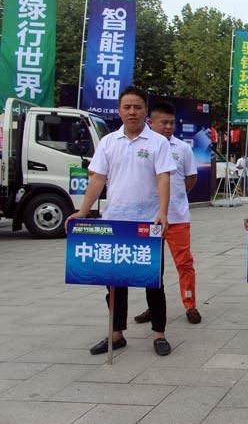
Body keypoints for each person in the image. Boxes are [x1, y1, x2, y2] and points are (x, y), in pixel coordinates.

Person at [66, 86, 175, 357]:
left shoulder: (158, 142)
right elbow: (98, 179)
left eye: (137, 107)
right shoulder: (108, 142)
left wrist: (163, 212)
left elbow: (164, 177)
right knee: (114, 282)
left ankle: (159, 334)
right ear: (119, 111)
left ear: (145, 110)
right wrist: (82, 211)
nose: (132, 112)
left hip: (147, 225)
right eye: (127, 107)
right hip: (114, 223)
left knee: (153, 281)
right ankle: (116, 333)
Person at [134, 102, 202, 326]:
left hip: (177, 218)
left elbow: (190, 179)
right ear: (150, 123)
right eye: (163, 122)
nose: (168, 127)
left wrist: (177, 197)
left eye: (172, 123)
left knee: (184, 263)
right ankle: (154, 308)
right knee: (151, 266)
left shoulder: (182, 149)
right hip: (149, 219)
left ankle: (190, 304)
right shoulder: (142, 147)